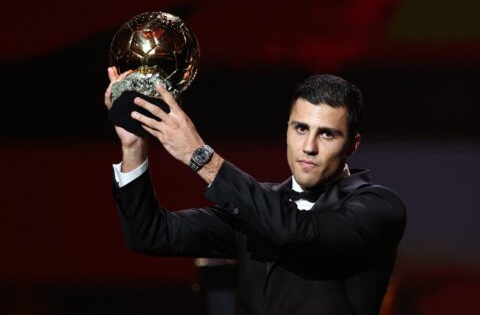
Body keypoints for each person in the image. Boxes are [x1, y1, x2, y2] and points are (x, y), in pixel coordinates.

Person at [105, 67, 406, 315]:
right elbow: (150, 233)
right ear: (286, 129)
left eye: (327, 134)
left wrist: (201, 156)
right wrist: (134, 148)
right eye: (301, 129)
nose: (309, 147)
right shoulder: (256, 206)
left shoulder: (379, 208)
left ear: (352, 144)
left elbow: (294, 231)